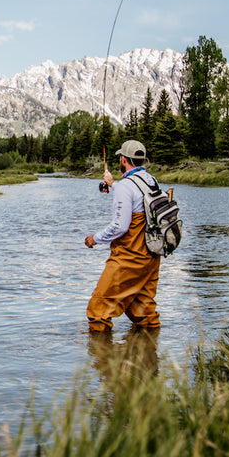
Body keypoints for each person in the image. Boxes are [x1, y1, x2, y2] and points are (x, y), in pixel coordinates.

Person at [83, 139, 161, 333]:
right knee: (143, 311)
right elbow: (136, 201)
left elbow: (120, 227)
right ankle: (149, 356)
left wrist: (96, 238)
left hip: (129, 258)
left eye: (120, 158)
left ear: (124, 160)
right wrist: (112, 185)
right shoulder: (151, 181)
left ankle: (101, 359)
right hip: (151, 257)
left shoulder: (126, 185)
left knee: (98, 310)